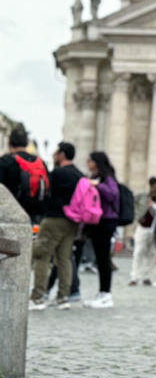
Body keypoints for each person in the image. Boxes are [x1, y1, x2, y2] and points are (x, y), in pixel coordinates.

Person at [29, 142, 84, 311]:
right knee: (64, 258)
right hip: (72, 221)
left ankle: (38, 296)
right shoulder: (78, 174)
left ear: (62, 154)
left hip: (54, 219)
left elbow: (45, 193)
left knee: (42, 256)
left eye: (56, 152)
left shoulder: (58, 173)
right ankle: (63, 297)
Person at [78, 152, 120, 308]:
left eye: (90, 160)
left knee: (103, 259)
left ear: (96, 162)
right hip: (98, 221)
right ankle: (102, 293)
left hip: (106, 221)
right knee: (100, 258)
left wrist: (96, 185)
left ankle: (106, 294)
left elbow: (113, 194)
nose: (88, 163)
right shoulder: (98, 177)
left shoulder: (107, 177)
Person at [0, 126, 49, 222]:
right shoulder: (40, 163)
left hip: (8, 217)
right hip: (34, 216)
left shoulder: (5, 161)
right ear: (26, 143)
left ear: (9, 142)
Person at [129, 177, 156, 285]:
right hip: (142, 226)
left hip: (155, 228)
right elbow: (132, 201)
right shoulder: (142, 195)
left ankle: (147, 276)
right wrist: (136, 215)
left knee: (152, 253)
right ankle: (135, 277)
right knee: (138, 252)